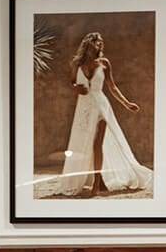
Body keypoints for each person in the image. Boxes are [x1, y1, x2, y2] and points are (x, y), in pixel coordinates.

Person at [37, 32, 153, 199]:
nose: (99, 45)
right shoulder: (77, 63)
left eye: (101, 43)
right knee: (83, 143)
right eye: (96, 43)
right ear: (88, 43)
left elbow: (112, 87)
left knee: (97, 143)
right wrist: (77, 87)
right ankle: (100, 182)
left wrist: (127, 104)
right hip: (83, 108)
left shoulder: (104, 63)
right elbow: (72, 82)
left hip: (100, 106)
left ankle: (97, 183)